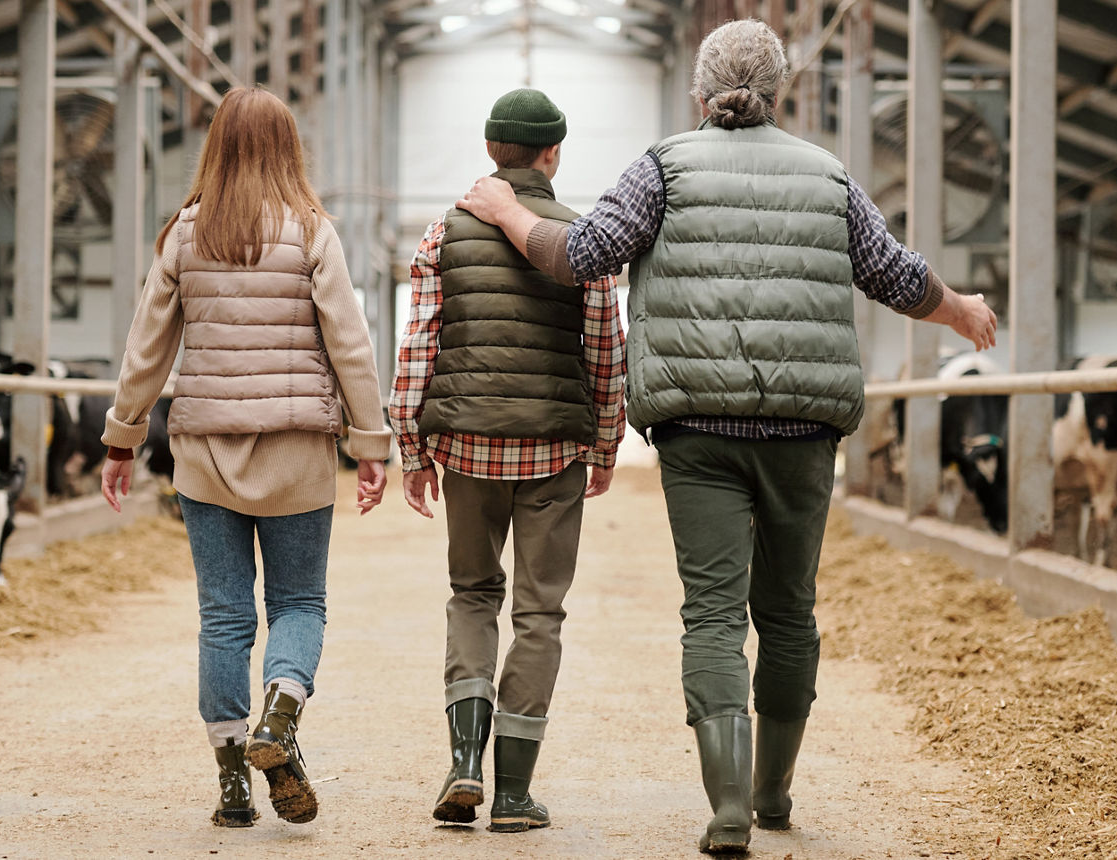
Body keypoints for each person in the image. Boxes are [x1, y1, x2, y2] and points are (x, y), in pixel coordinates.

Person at [457, 20, 997, 855]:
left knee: (711, 612)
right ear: (776, 92)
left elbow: (585, 256)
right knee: (788, 613)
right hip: (804, 431)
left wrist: (502, 209)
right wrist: (959, 309)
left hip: (698, 427)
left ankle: (729, 806)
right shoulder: (828, 174)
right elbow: (891, 271)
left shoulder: (664, 165)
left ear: (701, 95)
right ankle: (776, 794)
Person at [99, 87, 391, 829]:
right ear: (289, 147)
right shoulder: (312, 231)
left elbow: (146, 348)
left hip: (204, 454)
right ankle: (280, 720)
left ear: (216, 146)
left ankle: (233, 789)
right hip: (297, 450)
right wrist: (371, 444)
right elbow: (350, 345)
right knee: (298, 604)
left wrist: (121, 438)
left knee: (224, 619)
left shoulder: (185, 234)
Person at [389, 88, 627, 833]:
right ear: (552, 153)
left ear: (493, 151)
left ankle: (464, 762)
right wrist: (607, 441)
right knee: (539, 612)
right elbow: (606, 352)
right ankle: (514, 793)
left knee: (471, 594)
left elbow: (418, 346)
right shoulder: (581, 241)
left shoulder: (442, 235)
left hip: (465, 446)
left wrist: (410, 446)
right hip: (554, 448)